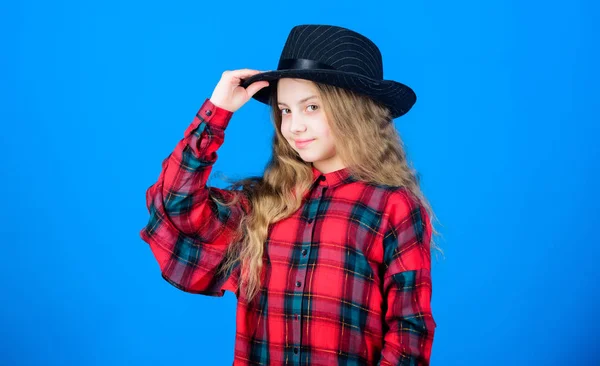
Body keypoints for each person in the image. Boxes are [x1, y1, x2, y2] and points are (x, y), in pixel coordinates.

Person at [140, 24, 441, 365]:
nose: (294, 125)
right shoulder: (265, 205)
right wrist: (217, 111)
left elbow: (408, 332)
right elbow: (175, 203)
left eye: (311, 107)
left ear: (354, 109)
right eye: (285, 110)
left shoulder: (393, 207)